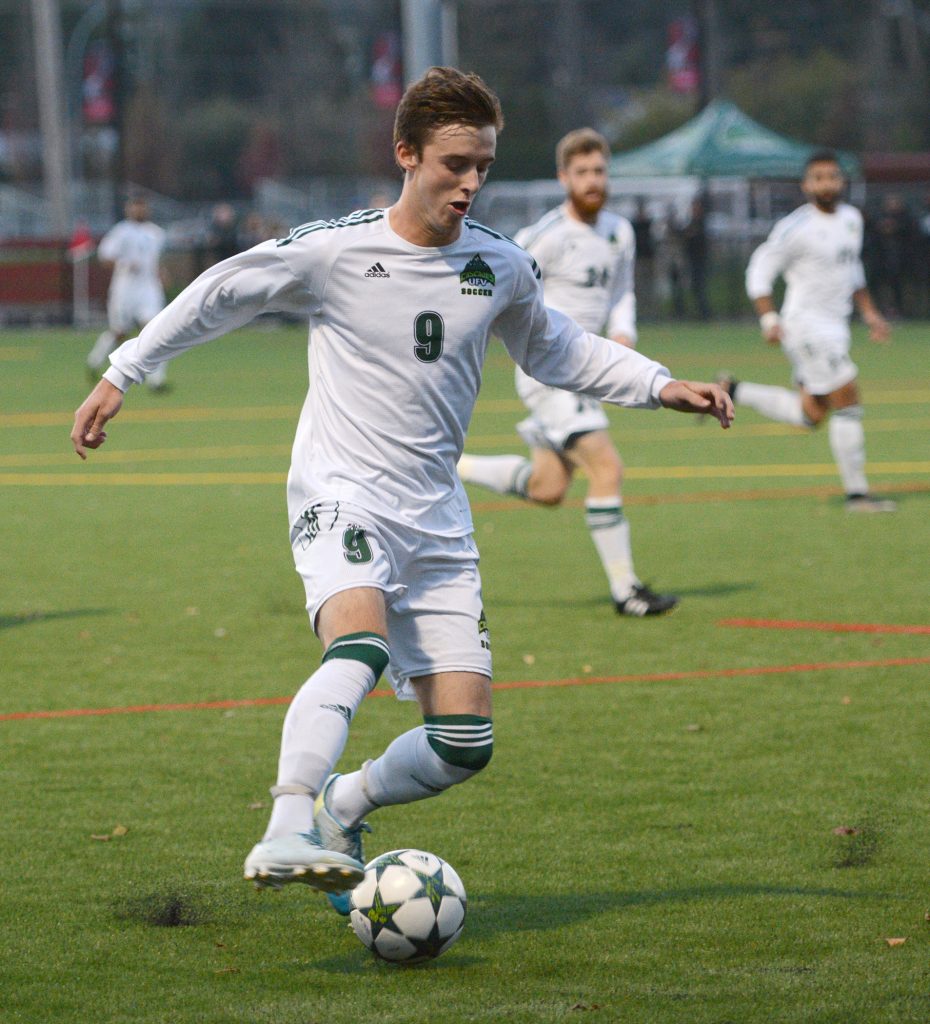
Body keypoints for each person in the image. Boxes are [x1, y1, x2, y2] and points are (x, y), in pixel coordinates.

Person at [71, 68, 733, 911]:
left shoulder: (498, 264)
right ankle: (285, 822)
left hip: (437, 518)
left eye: (484, 166)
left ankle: (343, 803)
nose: (471, 182)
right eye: (455, 163)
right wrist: (126, 369)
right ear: (407, 153)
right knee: (359, 646)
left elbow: (560, 349)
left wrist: (661, 384)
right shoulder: (337, 250)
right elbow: (220, 290)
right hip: (341, 491)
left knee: (464, 741)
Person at [457, 128, 678, 617]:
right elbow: (498, 275)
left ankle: (452, 467)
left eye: (599, 170)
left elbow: (622, 292)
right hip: (550, 371)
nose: (593, 180)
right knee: (607, 468)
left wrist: (623, 332)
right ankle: (627, 592)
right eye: (582, 172)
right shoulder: (547, 236)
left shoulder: (620, 231)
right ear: (563, 178)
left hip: (588, 370)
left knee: (549, 488)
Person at [723, 150, 895, 513]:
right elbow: (759, 271)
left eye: (832, 176)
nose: (826, 183)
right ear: (806, 184)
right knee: (848, 398)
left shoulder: (851, 219)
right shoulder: (794, 227)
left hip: (835, 328)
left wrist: (871, 314)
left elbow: (853, 270)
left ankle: (733, 390)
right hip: (805, 327)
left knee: (812, 415)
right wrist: (769, 320)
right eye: (818, 177)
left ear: (841, 181)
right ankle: (858, 496)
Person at [85, 194, 169, 392]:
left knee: (156, 331)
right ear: (128, 209)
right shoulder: (121, 232)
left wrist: (162, 273)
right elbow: (104, 257)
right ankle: (94, 360)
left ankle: (157, 381)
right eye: (135, 207)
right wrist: (124, 264)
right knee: (120, 332)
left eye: (142, 206)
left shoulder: (156, 233)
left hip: (149, 289)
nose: (139, 210)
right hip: (124, 289)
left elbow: (155, 259)